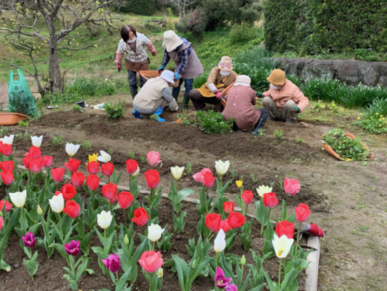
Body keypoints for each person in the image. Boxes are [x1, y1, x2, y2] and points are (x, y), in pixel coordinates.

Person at [158, 30, 204, 110]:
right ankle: (173, 102)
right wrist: (163, 65)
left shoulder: (183, 46)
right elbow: (166, 56)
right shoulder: (167, 46)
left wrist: (178, 72)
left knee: (188, 84)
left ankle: (184, 106)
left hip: (190, 65)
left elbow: (184, 62)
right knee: (176, 83)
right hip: (179, 65)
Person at [115, 25, 157, 99]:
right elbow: (119, 53)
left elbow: (149, 44)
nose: (131, 38)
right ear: (125, 37)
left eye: (133, 35)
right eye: (129, 37)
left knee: (144, 82)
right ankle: (135, 100)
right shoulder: (122, 43)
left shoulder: (141, 37)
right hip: (130, 61)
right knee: (132, 82)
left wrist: (152, 51)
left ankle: (144, 99)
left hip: (142, 61)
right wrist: (118, 63)